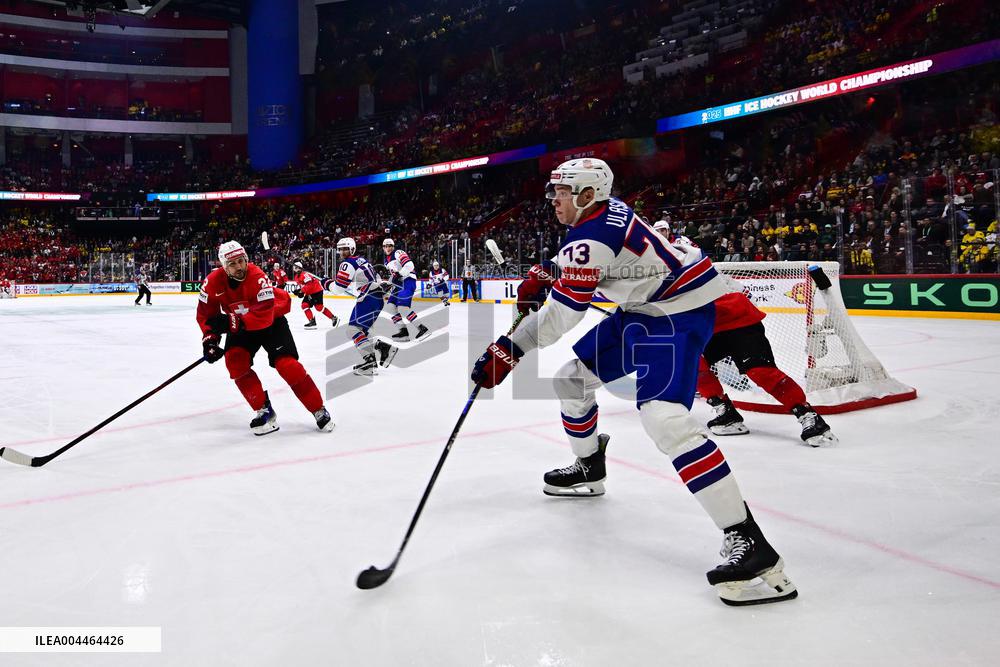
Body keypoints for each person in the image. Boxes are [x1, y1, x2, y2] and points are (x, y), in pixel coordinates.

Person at [471, 158, 796, 606]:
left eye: (560, 192)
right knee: (572, 382)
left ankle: (752, 546)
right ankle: (589, 468)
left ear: (587, 195)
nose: (553, 200)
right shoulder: (603, 214)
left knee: (665, 420)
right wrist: (549, 270)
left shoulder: (589, 234)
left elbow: (563, 315)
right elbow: (593, 256)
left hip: (675, 312)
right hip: (648, 308)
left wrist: (510, 348)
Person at [197, 241, 334, 435]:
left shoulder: (257, 276)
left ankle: (318, 409)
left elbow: (264, 314)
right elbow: (206, 315)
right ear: (223, 266)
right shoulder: (211, 282)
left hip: (271, 322)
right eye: (233, 264)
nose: (239, 267)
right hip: (241, 324)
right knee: (235, 363)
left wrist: (232, 322)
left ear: (246, 259)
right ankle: (264, 410)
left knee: (288, 366)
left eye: (241, 261)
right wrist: (210, 340)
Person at [328, 237, 397, 376]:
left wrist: (326, 283)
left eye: (345, 248)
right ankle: (383, 348)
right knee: (362, 330)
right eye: (340, 249)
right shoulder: (362, 260)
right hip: (376, 298)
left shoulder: (347, 263)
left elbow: (339, 289)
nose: (342, 251)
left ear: (352, 248)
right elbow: (375, 278)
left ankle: (370, 362)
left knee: (353, 330)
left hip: (368, 298)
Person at [382, 238, 429, 341]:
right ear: (383, 248)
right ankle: (403, 332)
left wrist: (400, 274)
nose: (388, 248)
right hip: (399, 283)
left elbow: (409, 265)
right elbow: (394, 275)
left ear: (393, 246)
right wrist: (388, 284)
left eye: (390, 246)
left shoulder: (398, 252)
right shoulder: (386, 261)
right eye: (386, 246)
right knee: (390, 307)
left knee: (403, 308)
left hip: (408, 280)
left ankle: (422, 328)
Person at [291, 260, 338, 329]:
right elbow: (304, 286)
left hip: (316, 291)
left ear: (300, 268)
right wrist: (300, 292)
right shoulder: (296, 277)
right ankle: (312, 321)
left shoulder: (305, 275)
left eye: (296, 267)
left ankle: (333, 317)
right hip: (309, 293)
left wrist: (300, 291)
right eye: (294, 267)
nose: (295, 269)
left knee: (319, 308)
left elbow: (310, 285)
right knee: (304, 305)